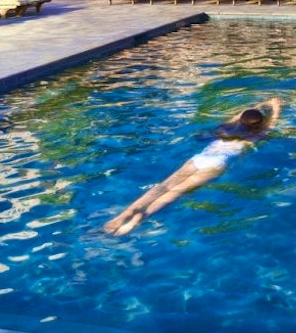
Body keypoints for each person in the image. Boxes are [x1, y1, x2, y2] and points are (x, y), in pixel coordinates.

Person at [103, 98, 282, 235]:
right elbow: (271, 124)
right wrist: (276, 108)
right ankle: (140, 218)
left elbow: (240, 116)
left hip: (200, 158)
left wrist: (261, 103)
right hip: (216, 164)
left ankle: (124, 214)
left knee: (164, 186)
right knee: (177, 191)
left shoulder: (226, 128)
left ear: (240, 120)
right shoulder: (257, 135)